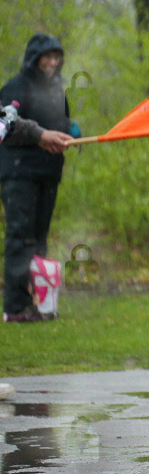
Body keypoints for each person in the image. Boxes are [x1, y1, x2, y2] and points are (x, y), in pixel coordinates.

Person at [0, 34, 76, 323]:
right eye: (47, 57)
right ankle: (15, 307)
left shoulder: (57, 91)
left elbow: (59, 124)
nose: (53, 63)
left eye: (57, 57)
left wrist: (71, 130)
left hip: (48, 174)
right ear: (34, 59)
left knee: (39, 239)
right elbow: (4, 122)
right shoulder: (16, 86)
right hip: (19, 174)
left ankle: (38, 301)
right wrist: (40, 134)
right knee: (20, 237)